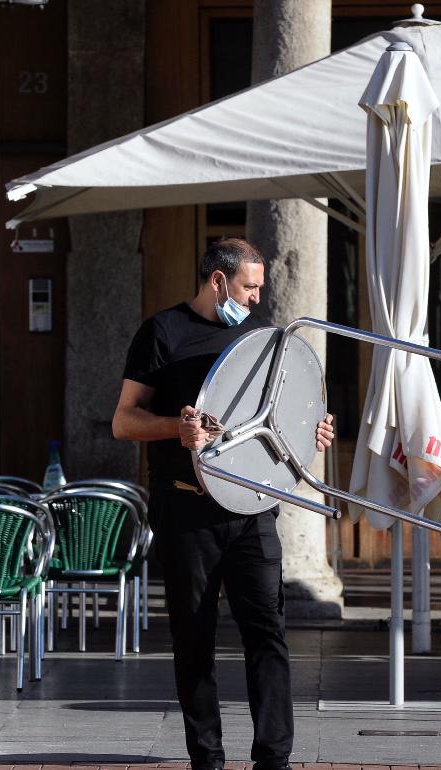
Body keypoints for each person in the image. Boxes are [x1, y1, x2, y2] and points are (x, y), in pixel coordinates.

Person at [112, 237, 334, 770]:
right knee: (194, 639)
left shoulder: (260, 336)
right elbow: (124, 420)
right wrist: (176, 428)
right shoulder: (161, 333)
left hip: (253, 509)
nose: (257, 299)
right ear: (218, 281)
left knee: (268, 635)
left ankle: (273, 758)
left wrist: (313, 430)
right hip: (187, 509)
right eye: (249, 287)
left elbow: (283, 412)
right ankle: (206, 758)